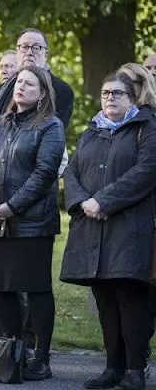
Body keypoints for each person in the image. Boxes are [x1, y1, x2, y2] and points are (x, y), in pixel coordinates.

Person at [61, 71, 156, 390]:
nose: (110, 99)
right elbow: (71, 172)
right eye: (105, 93)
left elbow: (146, 172)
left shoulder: (146, 128)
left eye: (117, 94)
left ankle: (134, 372)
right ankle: (112, 368)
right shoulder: (92, 131)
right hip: (91, 230)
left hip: (128, 229)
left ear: (132, 98)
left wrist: (102, 202)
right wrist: (83, 202)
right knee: (104, 299)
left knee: (130, 299)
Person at [0, 65, 65, 381]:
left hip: (32, 223)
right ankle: (14, 352)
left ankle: (42, 357)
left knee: (36, 289)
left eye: (29, 83)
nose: (20, 87)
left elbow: (45, 173)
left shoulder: (50, 126)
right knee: (1, 289)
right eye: (18, 82)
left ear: (42, 94)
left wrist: (12, 207)